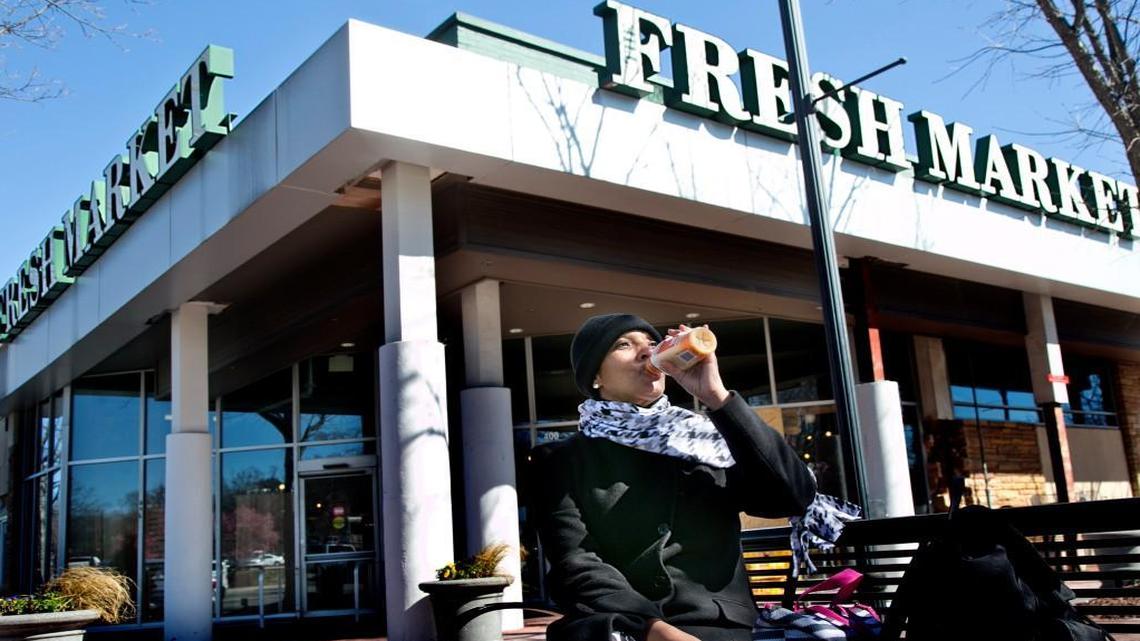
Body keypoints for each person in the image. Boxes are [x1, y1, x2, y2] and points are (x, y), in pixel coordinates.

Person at [530, 313, 818, 641]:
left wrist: (716, 396)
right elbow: (575, 562)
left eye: (652, 345)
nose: (645, 352)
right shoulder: (561, 459)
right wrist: (653, 629)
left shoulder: (703, 440)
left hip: (718, 625)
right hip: (621, 626)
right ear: (595, 376)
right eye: (624, 345)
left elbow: (793, 496)